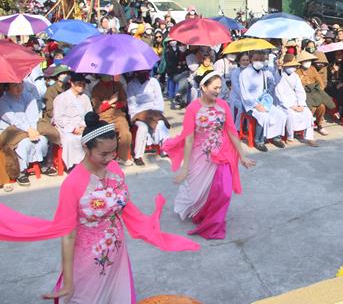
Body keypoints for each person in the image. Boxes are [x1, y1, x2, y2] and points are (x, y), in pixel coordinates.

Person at [0, 112, 199, 303]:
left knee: (116, 296)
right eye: (103, 153)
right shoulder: (73, 183)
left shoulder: (114, 169)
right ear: (86, 148)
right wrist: (68, 281)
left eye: (113, 151)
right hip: (89, 257)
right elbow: (68, 235)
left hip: (116, 250)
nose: (110, 158)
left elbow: (124, 206)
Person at [164, 72, 255, 240]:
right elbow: (189, 138)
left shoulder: (223, 105)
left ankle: (214, 223)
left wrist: (242, 156)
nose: (218, 91)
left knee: (225, 192)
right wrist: (185, 167)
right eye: (215, 88)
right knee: (198, 194)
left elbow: (231, 131)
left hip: (222, 153)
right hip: (201, 155)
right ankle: (202, 212)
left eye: (220, 88)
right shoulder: (193, 108)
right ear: (204, 87)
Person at [0, 81, 51, 185]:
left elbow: (33, 115)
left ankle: (40, 162)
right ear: (7, 88)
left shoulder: (28, 96)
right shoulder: (3, 101)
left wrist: (32, 129)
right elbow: (12, 119)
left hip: (30, 127)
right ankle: (21, 170)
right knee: (24, 143)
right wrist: (28, 130)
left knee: (42, 140)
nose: (19, 87)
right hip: (12, 130)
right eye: (14, 85)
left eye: (20, 84)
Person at [239, 50, 287, 152]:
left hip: (264, 102)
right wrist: (256, 105)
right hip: (250, 105)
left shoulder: (264, 72)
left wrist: (278, 69)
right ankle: (258, 140)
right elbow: (245, 94)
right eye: (256, 59)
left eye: (261, 59)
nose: (259, 62)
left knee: (280, 114)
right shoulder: (245, 73)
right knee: (264, 116)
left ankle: (276, 137)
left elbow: (275, 81)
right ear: (251, 59)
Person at [126, 70, 169, 166]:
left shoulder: (154, 82)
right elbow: (132, 104)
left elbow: (159, 100)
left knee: (161, 124)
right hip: (139, 113)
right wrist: (141, 114)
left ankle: (165, 150)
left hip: (154, 111)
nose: (142, 74)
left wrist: (155, 112)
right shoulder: (131, 85)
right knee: (143, 128)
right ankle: (138, 156)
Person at [275, 54, 319, 147]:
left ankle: (309, 137)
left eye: (293, 65)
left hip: (295, 101)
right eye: (290, 65)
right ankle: (290, 137)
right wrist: (291, 106)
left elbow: (300, 91)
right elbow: (279, 93)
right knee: (290, 114)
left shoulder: (295, 76)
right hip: (283, 103)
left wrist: (301, 104)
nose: (292, 67)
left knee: (308, 113)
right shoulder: (279, 75)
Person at [52, 73, 93, 171]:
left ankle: (90, 162)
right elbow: (58, 118)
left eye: (83, 84)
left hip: (83, 126)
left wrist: (84, 126)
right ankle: (73, 165)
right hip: (66, 128)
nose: (82, 86)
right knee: (71, 139)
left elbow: (89, 114)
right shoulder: (61, 98)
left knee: (94, 136)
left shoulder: (85, 98)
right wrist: (72, 129)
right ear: (72, 83)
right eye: (79, 83)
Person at [91, 75, 132, 166]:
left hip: (118, 115)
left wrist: (115, 105)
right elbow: (98, 109)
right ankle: (105, 157)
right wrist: (110, 102)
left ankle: (122, 157)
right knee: (105, 136)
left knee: (126, 133)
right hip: (104, 117)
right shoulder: (96, 89)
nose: (109, 76)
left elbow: (124, 102)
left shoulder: (118, 85)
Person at [296, 50, 335, 135]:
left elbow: (319, 80)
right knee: (312, 108)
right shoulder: (297, 71)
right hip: (303, 94)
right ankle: (307, 126)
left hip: (314, 92)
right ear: (301, 62)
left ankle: (319, 124)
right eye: (306, 61)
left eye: (309, 60)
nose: (308, 62)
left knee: (322, 106)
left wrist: (319, 90)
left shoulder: (312, 69)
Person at [228, 53, 249, 129]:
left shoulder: (251, 71)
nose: (245, 62)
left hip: (248, 97)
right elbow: (236, 87)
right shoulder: (235, 72)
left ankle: (248, 128)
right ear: (239, 62)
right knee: (241, 108)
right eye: (243, 60)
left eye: (247, 60)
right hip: (237, 97)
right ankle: (237, 129)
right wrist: (244, 96)